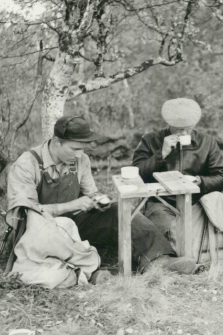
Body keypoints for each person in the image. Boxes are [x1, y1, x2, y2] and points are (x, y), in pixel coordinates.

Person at [7, 116, 199, 277]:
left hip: (74, 224)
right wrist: (71, 205)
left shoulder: (80, 160)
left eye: (83, 149)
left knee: (119, 211)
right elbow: (24, 214)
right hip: (39, 230)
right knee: (54, 238)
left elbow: (91, 192)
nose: (80, 154)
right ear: (57, 142)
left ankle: (158, 260)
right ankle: (88, 273)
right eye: (74, 149)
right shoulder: (27, 164)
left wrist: (98, 200)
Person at [132, 98, 223, 244]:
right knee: (168, 235)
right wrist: (161, 154)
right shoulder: (150, 140)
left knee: (202, 236)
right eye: (178, 129)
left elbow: (222, 177)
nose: (183, 132)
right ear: (169, 123)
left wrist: (199, 181)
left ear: (195, 124)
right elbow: (137, 174)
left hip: (197, 203)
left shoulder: (207, 142)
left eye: (188, 128)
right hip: (161, 202)